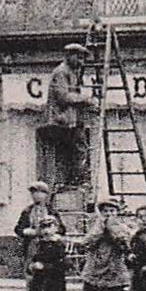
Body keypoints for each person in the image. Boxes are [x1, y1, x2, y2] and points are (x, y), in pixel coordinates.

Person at [47, 43, 95, 185]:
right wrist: (86, 99)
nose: (82, 62)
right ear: (69, 56)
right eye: (79, 58)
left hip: (71, 120)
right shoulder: (61, 72)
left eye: (83, 59)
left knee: (78, 149)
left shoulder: (73, 72)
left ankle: (74, 180)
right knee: (73, 151)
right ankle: (71, 181)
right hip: (63, 121)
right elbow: (63, 96)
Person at [13, 181, 58, 271]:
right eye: (33, 193)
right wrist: (25, 231)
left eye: (38, 192)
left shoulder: (52, 211)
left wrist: (51, 231)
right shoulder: (27, 211)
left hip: (49, 247)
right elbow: (18, 229)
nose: (35, 195)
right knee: (31, 273)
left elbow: (62, 229)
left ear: (45, 195)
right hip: (32, 246)